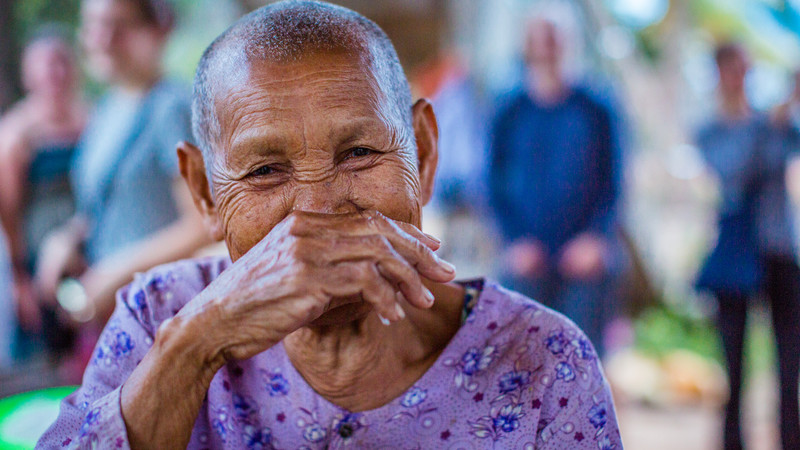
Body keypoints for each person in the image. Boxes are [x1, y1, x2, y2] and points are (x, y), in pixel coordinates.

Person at [37, 2, 622, 448]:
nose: (316, 213)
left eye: (361, 153)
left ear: (420, 151)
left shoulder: (543, 359)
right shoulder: (157, 317)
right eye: (265, 170)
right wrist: (196, 344)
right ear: (204, 193)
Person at [34, 0, 209, 337]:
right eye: (93, 26)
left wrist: (114, 274)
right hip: (117, 315)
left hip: (165, 314)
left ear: (152, 31)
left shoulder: (170, 107)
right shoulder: (105, 109)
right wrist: (67, 238)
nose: (102, 39)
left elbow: (202, 223)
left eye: (117, 26)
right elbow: (102, 205)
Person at [488, 15, 623, 356]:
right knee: (522, 361)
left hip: (584, 261)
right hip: (526, 259)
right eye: (540, 37)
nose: (548, 46)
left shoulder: (596, 108)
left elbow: (614, 182)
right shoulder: (509, 110)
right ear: (528, 46)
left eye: (555, 37)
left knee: (581, 360)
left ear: (569, 44)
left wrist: (595, 237)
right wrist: (513, 240)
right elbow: (492, 182)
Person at [694, 43, 800, 450]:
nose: (743, 76)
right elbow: (733, 173)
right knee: (734, 372)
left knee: (789, 369)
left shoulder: (774, 123)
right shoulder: (712, 131)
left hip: (780, 253)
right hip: (736, 259)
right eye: (736, 68)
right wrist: (767, 125)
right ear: (720, 72)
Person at [0, 27, 88, 360]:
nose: (55, 73)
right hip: (37, 262)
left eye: (61, 62)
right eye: (46, 65)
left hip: (87, 250)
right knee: (45, 354)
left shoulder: (92, 117)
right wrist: (19, 279)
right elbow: (8, 214)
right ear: (30, 74)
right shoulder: (15, 134)